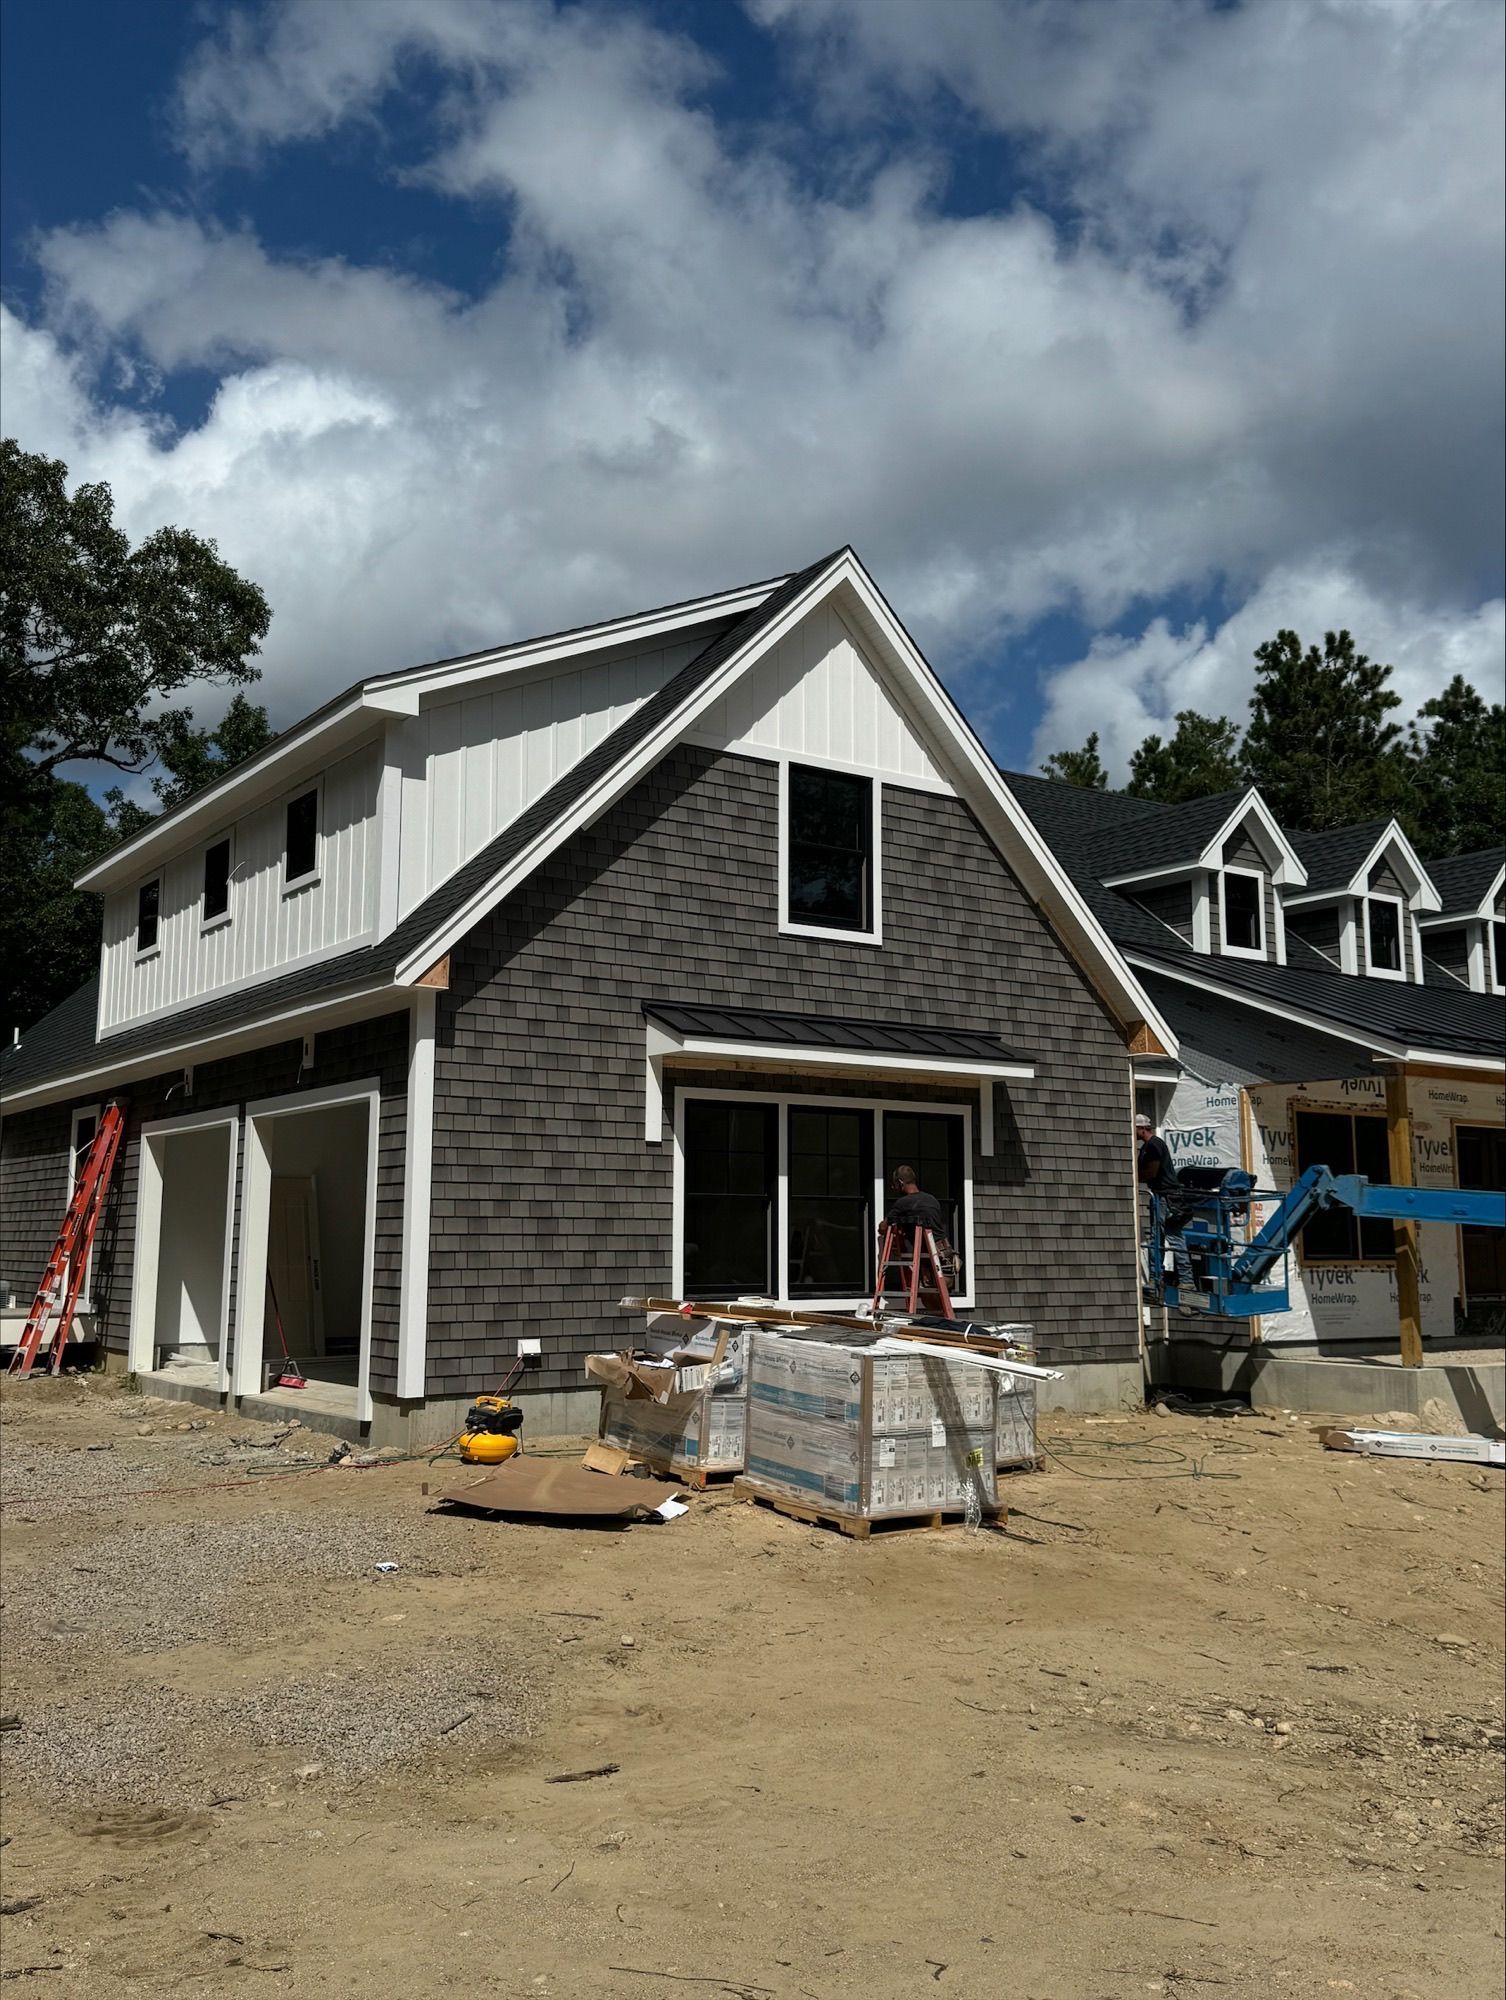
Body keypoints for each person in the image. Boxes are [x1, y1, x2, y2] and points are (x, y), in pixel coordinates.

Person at [1135, 1112, 1196, 1299]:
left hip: (1166, 1198)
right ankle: (1158, 1276)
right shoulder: (1150, 1146)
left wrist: (1132, 1176)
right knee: (1158, 1238)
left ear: (1142, 1129)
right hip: (1163, 1197)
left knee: (1171, 1236)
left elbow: (1151, 1173)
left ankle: (1184, 1279)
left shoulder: (1154, 1146)